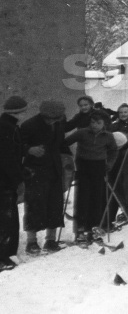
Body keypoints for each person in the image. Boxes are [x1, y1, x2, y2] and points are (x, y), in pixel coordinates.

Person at [63, 110, 118, 245]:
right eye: (93, 122)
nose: (95, 125)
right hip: (83, 167)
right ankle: (80, 230)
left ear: (104, 123)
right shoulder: (82, 132)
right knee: (83, 199)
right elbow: (65, 143)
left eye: (98, 123)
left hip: (99, 167)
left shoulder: (108, 136)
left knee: (97, 199)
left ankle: (94, 228)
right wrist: (70, 158)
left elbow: (113, 150)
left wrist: (109, 164)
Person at [20, 101, 68, 254]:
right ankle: (31, 242)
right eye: (49, 119)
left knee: (55, 204)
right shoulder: (29, 125)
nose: (52, 121)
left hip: (54, 169)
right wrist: (29, 149)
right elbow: (16, 145)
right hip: (34, 170)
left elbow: (61, 144)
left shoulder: (58, 124)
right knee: (34, 204)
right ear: (43, 115)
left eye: (56, 119)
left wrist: (69, 159)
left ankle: (51, 240)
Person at [0, 96, 27, 270]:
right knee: (6, 220)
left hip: (5, 180)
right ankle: (3, 258)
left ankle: (6, 255)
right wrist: (19, 179)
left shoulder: (8, 126)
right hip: (4, 182)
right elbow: (8, 158)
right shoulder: (7, 128)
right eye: (23, 111)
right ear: (17, 112)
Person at [106, 103, 128, 226]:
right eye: (120, 112)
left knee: (127, 183)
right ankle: (125, 208)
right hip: (115, 158)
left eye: (125, 112)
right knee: (116, 185)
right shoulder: (113, 126)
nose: (123, 114)